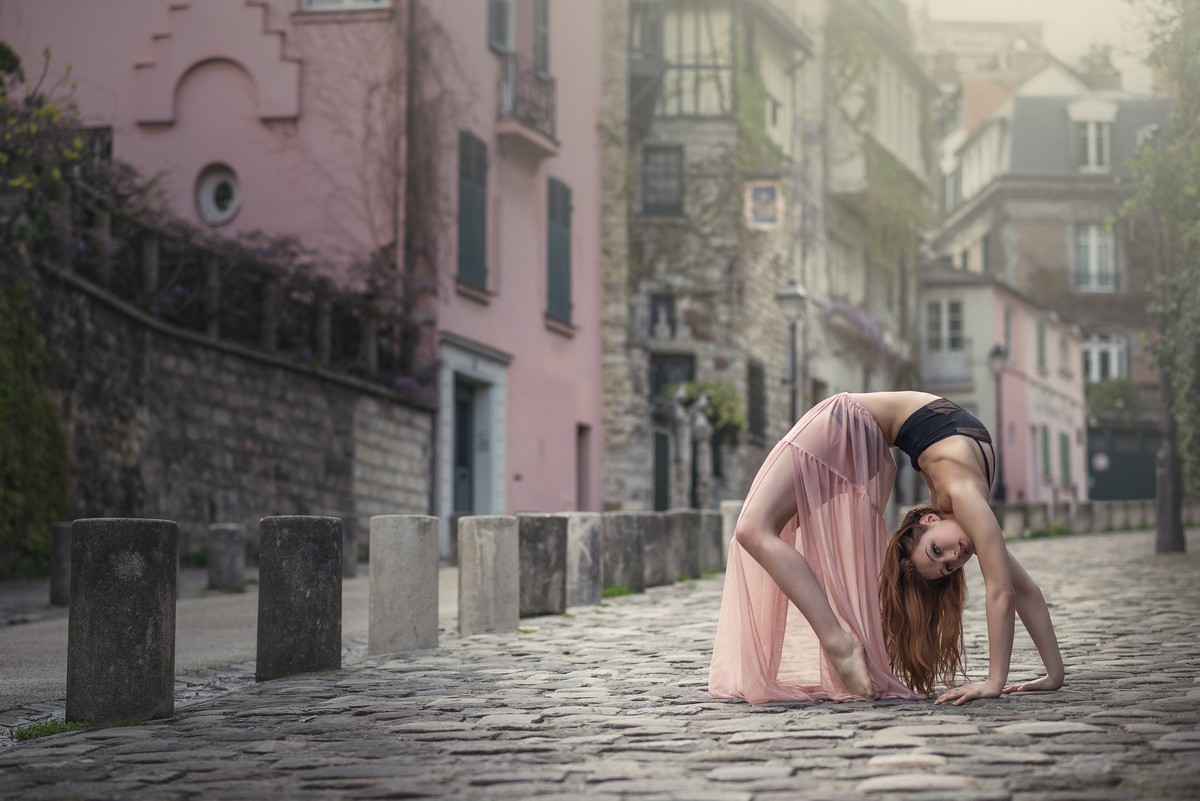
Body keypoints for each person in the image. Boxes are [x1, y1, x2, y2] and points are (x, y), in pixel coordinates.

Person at [709, 390, 1064, 705]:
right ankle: (838, 642)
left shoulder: (959, 509)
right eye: (940, 556)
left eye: (947, 564)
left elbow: (1017, 589)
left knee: (755, 529)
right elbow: (1006, 590)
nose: (956, 557)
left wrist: (1046, 676)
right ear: (927, 521)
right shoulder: (964, 497)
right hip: (847, 422)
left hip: (862, 431)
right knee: (755, 530)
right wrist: (1002, 680)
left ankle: (840, 642)